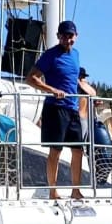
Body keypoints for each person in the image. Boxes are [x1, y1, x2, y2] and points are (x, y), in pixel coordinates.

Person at [26, 19, 88, 199]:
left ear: (76, 36)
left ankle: (75, 190)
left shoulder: (76, 54)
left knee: (78, 150)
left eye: (71, 36)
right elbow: (31, 78)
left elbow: (72, 79)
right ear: (58, 36)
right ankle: (53, 191)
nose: (68, 39)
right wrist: (53, 91)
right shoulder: (50, 55)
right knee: (56, 150)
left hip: (72, 108)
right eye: (64, 36)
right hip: (55, 108)